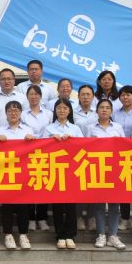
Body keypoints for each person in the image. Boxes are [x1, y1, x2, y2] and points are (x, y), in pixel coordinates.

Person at [43, 98, 83, 249]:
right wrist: (50, 140)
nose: (62, 110)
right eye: (59, 108)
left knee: (71, 204)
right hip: (55, 169)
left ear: (69, 111)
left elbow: (83, 147)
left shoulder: (75, 129)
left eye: (65, 108)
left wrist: (72, 140)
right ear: (55, 110)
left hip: (72, 170)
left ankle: (70, 235)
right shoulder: (48, 129)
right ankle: (60, 235)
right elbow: (40, 148)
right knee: (58, 204)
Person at [0, 100, 35, 250]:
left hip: (23, 173)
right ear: (5, 114)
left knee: (24, 205)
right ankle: (8, 235)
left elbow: (37, 150)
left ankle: (23, 235)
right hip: (6, 173)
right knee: (7, 205)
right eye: (10, 111)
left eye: (16, 110)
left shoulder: (28, 130)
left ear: (20, 113)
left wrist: (32, 141)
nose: (13, 113)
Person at [87, 99, 127, 250]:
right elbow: (83, 148)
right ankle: (101, 234)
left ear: (111, 111)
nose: (104, 110)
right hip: (97, 168)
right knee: (99, 204)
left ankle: (113, 235)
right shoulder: (90, 128)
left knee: (114, 204)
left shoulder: (118, 127)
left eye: (107, 108)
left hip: (115, 169)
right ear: (96, 111)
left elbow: (125, 147)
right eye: (101, 107)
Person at [20, 85, 52, 232]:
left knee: (43, 186)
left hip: (45, 153)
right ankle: (31, 219)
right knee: (29, 185)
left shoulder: (49, 114)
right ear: (27, 97)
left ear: (40, 96)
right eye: (31, 94)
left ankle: (42, 218)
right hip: (27, 154)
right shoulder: (23, 115)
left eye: (36, 94)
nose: (33, 97)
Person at [113, 85, 132, 233]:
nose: (125, 97)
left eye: (128, 95)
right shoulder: (115, 114)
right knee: (123, 186)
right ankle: (124, 218)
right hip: (119, 154)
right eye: (123, 95)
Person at [72, 84, 98, 231]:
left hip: (95, 155)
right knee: (79, 187)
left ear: (93, 96)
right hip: (76, 155)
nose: (86, 97)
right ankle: (79, 216)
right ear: (78, 96)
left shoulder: (98, 112)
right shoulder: (73, 113)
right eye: (83, 94)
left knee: (93, 187)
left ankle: (91, 216)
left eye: (88, 94)